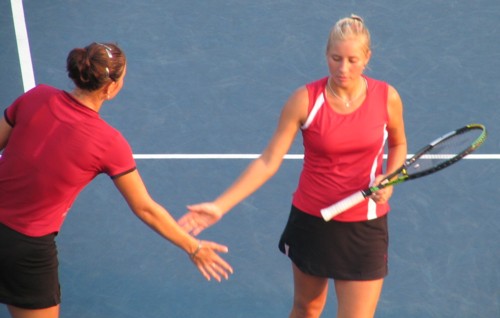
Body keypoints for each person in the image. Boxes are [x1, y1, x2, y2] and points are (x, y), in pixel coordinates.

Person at [179, 15, 407, 318]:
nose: (343, 68)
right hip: (314, 221)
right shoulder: (305, 100)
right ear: (326, 54)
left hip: (364, 226)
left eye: (353, 60)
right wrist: (220, 206)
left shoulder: (386, 97)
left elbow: (399, 144)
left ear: (367, 57)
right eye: (336, 58)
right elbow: (268, 160)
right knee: (307, 308)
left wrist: (389, 180)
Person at [0, 42, 233, 318]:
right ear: (110, 89)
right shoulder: (109, 143)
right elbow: (145, 208)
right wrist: (193, 247)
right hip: (27, 250)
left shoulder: (36, 96)